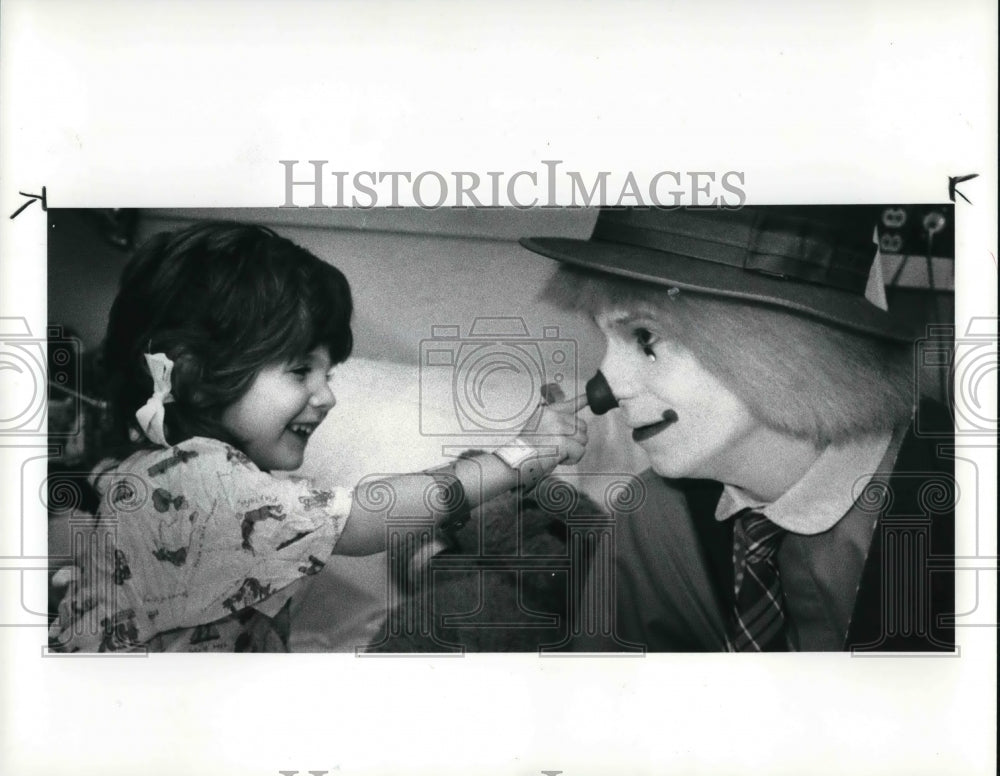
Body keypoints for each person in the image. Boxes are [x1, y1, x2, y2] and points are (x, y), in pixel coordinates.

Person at [49, 221, 587, 652]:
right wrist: (519, 457)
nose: (326, 395)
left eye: (327, 374)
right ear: (193, 374)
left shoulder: (176, 472)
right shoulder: (201, 484)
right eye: (300, 370)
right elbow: (370, 517)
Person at [523, 206, 955, 652]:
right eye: (605, 339)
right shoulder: (655, 518)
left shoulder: (964, 504)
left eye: (645, 338)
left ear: (786, 341)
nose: (605, 390)